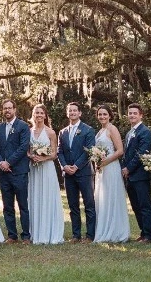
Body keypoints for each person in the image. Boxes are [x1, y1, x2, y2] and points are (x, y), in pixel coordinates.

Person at [0, 98, 31, 244]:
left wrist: (9, 162)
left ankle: (26, 236)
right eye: (5, 108)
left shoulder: (23, 126)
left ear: (14, 110)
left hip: (19, 171)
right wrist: (1, 162)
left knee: (23, 205)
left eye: (9, 108)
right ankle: (12, 235)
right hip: (4, 173)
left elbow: (23, 147)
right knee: (7, 206)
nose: (7, 110)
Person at [58, 102, 96, 243]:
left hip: (84, 172)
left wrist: (76, 166)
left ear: (80, 113)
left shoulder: (88, 130)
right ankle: (76, 235)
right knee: (73, 205)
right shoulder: (63, 132)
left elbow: (89, 151)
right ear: (67, 113)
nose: (72, 113)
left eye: (75, 110)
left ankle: (90, 235)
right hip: (68, 174)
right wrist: (65, 166)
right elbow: (59, 151)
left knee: (89, 204)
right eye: (70, 111)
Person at [27, 104, 64, 244]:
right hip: (34, 168)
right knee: (35, 196)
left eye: (41, 113)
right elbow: (27, 150)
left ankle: (49, 231)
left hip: (47, 168)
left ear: (45, 115)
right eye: (36, 113)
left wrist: (43, 158)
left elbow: (54, 153)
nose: (39, 115)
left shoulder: (50, 132)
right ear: (33, 115)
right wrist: (31, 156)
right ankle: (35, 231)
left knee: (47, 197)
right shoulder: (29, 131)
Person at [92, 105, 129, 243]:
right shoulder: (100, 131)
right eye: (100, 114)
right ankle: (104, 229)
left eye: (104, 114)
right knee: (102, 198)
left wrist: (105, 161)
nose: (102, 117)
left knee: (111, 197)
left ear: (110, 115)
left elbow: (120, 151)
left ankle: (115, 231)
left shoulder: (112, 129)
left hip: (111, 167)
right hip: (102, 169)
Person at [122, 103, 151, 242]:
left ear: (141, 115)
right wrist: (124, 168)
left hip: (140, 175)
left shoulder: (145, 132)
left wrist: (128, 168)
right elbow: (126, 154)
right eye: (130, 113)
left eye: (135, 113)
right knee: (135, 205)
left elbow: (141, 154)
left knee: (145, 205)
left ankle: (149, 235)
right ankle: (143, 232)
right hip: (129, 177)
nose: (132, 115)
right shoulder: (129, 133)